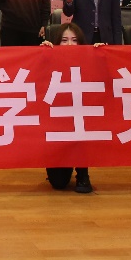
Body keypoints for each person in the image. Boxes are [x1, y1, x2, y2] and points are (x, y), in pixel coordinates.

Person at [41, 23, 95, 194]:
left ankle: (82, 173)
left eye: (74, 40)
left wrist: (102, 54)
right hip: (57, 125)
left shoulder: (89, 60)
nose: (70, 44)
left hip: (80, 120)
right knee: (58, 183)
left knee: (82, 129)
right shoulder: (51, 58)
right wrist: (42, 54)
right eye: (64, 40)